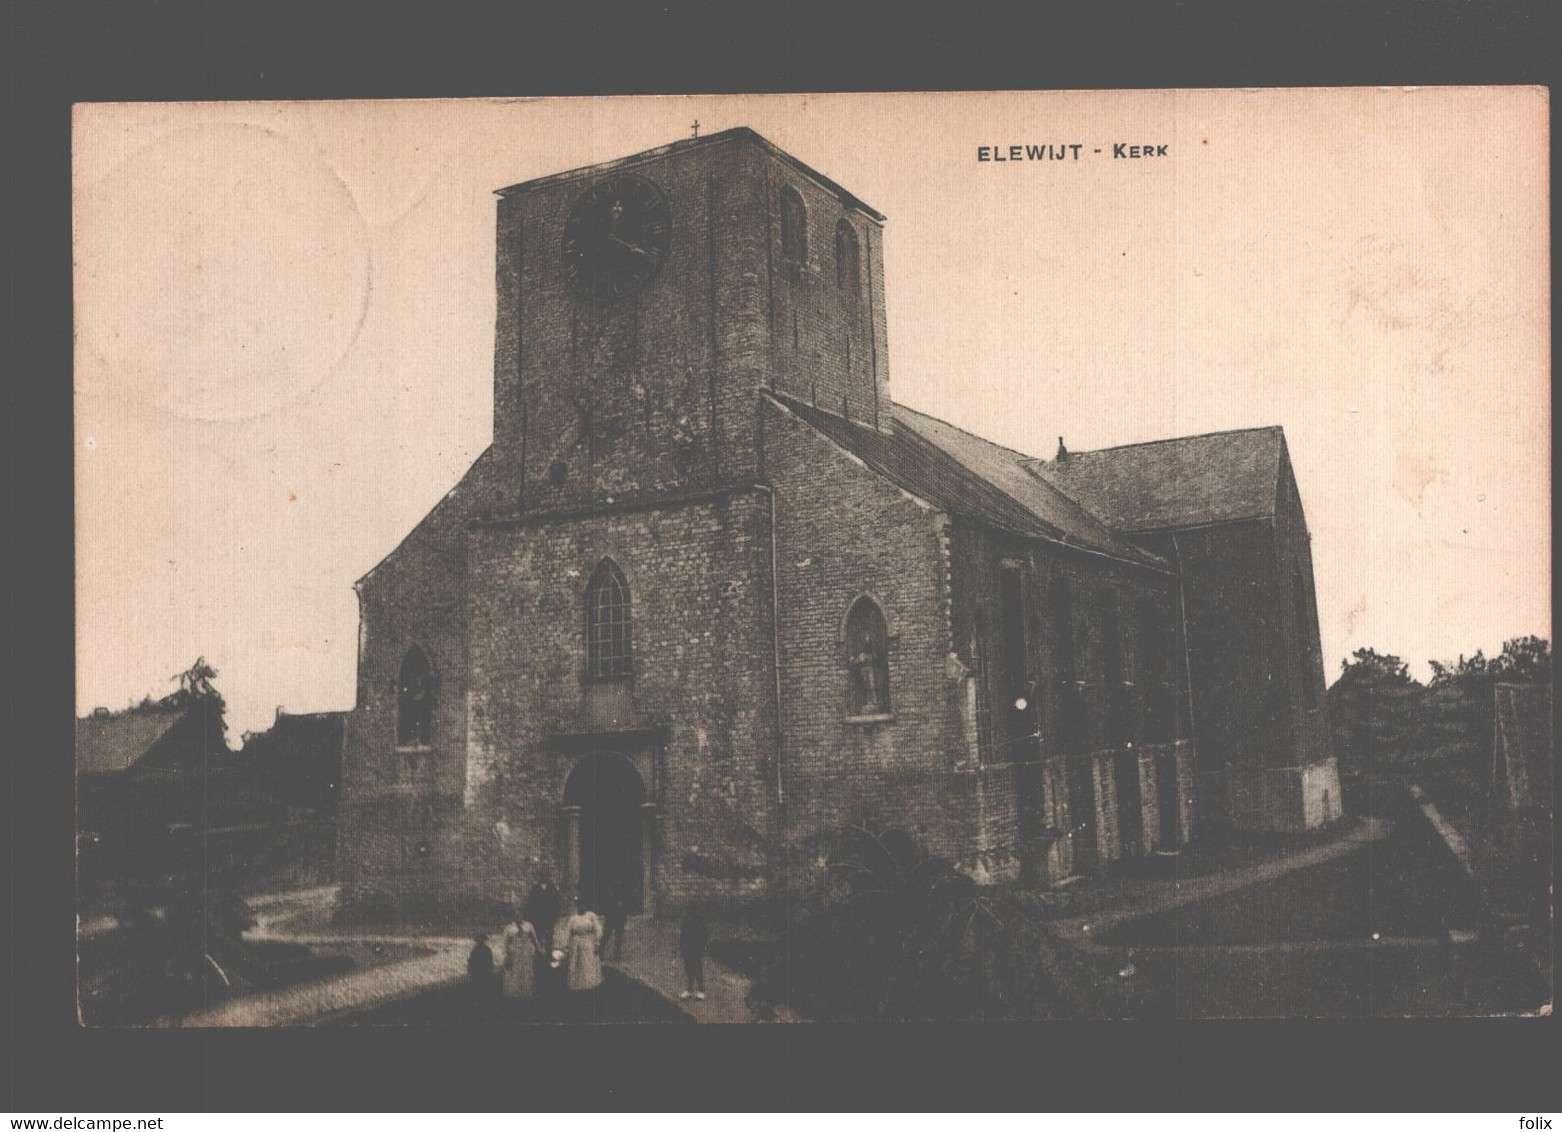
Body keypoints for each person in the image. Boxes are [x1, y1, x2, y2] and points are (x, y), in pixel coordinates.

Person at [554, 896, 605, 994]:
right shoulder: (573, 918)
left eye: (583, 905)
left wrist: (596, 942)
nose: (582, 907)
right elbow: (567, 932)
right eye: (579, 905)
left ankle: (589, 983)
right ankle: (577, 984)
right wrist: (566, 945)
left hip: (588, 943)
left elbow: (597, 930)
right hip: (576, 944)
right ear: (577, 906)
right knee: (576, 963)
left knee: (588, 963)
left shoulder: (591, 916)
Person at [498, 916, 541, 1000]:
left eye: (520, 914)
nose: (518, 916)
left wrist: (538, 950)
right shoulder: (509, 928)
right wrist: (506, 955)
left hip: (526, 953)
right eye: (516, 914)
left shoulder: (528, 926)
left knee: (526, 972)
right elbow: (504, 943)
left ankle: (526, 993)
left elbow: (534, 939)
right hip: (514, 954)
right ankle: (514, 995)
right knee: (514, 974)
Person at [678, 905, 709, 1001]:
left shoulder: (699, 921)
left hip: (696, 948)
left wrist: (701, 948)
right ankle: (689, 990)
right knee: (688, 968)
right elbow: (682, 934)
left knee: (697, 968)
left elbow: (704, 935)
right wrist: (682, 948)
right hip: (687, 948)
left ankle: (701, 991)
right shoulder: (685, 919)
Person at [523, 876, 561, 952]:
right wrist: (531, 916)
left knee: (549, 937)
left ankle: (548, 952)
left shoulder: (551, 889)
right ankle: (539, 952)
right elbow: (531, 903)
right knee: (538, 935)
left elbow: (556, 903)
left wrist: (555, 915)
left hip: (549, 917)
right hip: (538, 918)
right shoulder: (535, 889)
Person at [601, 877, 629, 964]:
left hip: (618, 918)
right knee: (607, 935)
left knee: (618, 937)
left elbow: (624, 908)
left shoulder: (622, 895)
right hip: (612, 917)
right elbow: (608, 906)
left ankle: (616, 955)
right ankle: (601, 952)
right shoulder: (611, 894)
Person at [466, 933, 497, 1009]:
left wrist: (470, 972)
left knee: (477, 990)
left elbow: (471, 962)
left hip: (478, 973)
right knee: (483, 990)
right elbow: (490, 962)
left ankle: (477, 1004)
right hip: (484, 973)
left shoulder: (475, 950)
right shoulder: (486, 949)